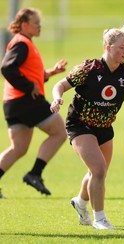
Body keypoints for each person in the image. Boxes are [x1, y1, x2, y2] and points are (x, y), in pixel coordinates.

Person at [49, 24, 124, 230]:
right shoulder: (89, 68)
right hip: (80, 124)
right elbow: (60, 84)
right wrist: (57, 98)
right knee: (98, 169)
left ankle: (80, 202)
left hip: (105, 127)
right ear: (107, 46)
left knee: (98, 173)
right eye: (121, 47)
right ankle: (100, 219)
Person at [0, 8, 67, 198]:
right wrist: (28, 86)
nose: (40, 25)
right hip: (26, 101)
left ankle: (33, 174)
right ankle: (35, 174)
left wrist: (50, 73)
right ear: (24, 25)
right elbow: (6, 68)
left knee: (18, 148)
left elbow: (28, 73)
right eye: (36, 22)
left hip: (13, 103)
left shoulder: (25, 43)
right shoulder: (22, 43)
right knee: (60, 132)